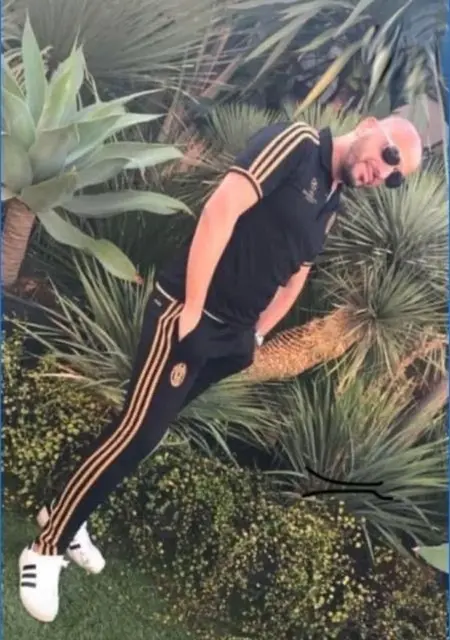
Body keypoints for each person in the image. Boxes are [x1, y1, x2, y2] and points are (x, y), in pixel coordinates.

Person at [19, 114, 422, 622]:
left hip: (230, 338)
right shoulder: (297, 144)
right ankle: (44, 548)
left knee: (139, 432)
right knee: (138, 434)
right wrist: (191, 307)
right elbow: (221, 209)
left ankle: (65, 512)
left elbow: (296, 276)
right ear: (368, 126)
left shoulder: (332, 201)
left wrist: (257, 336)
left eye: (396, 176)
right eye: (389, 155)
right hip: (187, 316)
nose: (384, 173)